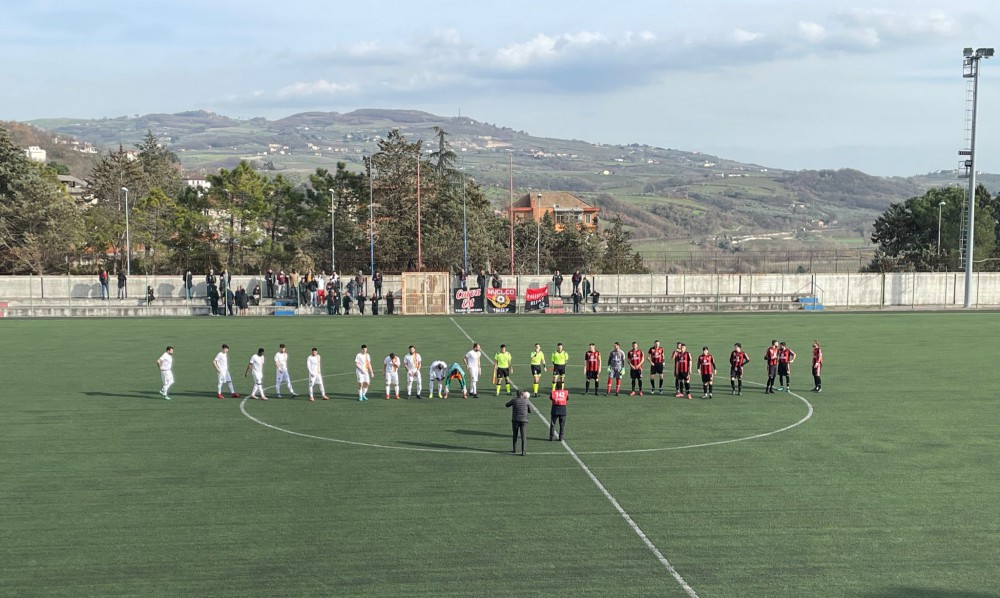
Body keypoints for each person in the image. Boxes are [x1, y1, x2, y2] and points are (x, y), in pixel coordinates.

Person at [505, 390, 532, 456]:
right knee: (523, 435)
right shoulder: (526, 401)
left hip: (515, 419)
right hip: (524, 420)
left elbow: (506, 405)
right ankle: (523, 451)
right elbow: (530, 410)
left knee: (515, 434)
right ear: (522, 394)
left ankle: (514, 449)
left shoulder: (514, 400)